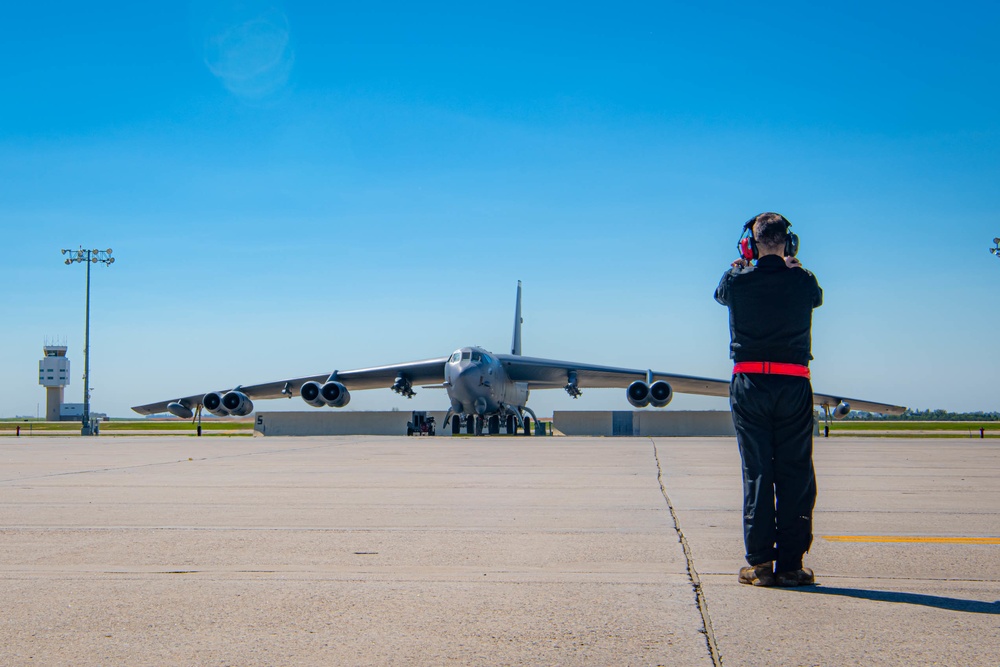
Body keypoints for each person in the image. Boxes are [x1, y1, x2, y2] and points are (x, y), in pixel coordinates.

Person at [714, 212, 823, 587]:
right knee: (795, 473)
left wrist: (740, 266)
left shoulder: (735, 280)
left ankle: (760, 564)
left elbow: (720, 294)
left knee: (758, 471)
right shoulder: (804, 280)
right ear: (788, 244)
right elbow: (817, 298)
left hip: (750, 384)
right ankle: (791, 565)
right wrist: (795, 266)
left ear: (751, 243)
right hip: (793, 384)